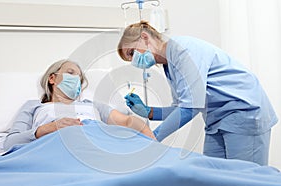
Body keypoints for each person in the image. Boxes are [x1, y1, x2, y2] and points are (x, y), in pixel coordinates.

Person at [117, 21, 278, 166]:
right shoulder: (169, 64)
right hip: (217, 121)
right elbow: (181, 107)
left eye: (132, 53)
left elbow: (190, 107)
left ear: (145, 37)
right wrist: (149, 111)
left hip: (244, 112)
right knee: (215, 178)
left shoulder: (182, 50)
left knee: (247, 183)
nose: (133, 61)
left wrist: (153, 137)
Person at [1, 59, 155, 151]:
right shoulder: (34, 106)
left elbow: (128, 121)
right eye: (70, 72)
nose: (76, 79)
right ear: (52, 79)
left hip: (100, 144)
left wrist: (154, 143)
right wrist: (49, 128)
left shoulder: (91, 106)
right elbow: (10, 143)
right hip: (56, 146)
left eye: (80, 78)